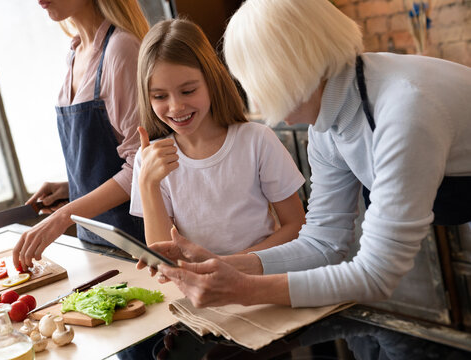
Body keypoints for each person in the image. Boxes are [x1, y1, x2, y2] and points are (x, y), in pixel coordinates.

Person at [143, 0, 471, 308]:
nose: (254, 96)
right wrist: (222, 267)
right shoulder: (327, 125)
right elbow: (323, 242)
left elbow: (377, 274)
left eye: (254, 81)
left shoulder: (404, 112)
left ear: (292, 69)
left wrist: (243, 288)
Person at [129, 18, 306, 255]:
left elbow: (296, 226)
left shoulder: (256, 140)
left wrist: (230, 267)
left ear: (211, 81)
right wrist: (147, 183)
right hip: (200, 288)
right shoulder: (149, 159)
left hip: (261, 279)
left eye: (188, 91)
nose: (176, 107)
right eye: (160, 96)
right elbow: (162, 257)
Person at [13, 0, 149, 270]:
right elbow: (109, 156)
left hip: (135, 248)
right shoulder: (76, 52)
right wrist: (73, 188)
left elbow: (142, 166)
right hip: (97, 245)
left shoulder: (121, 49)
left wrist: (64, 216)